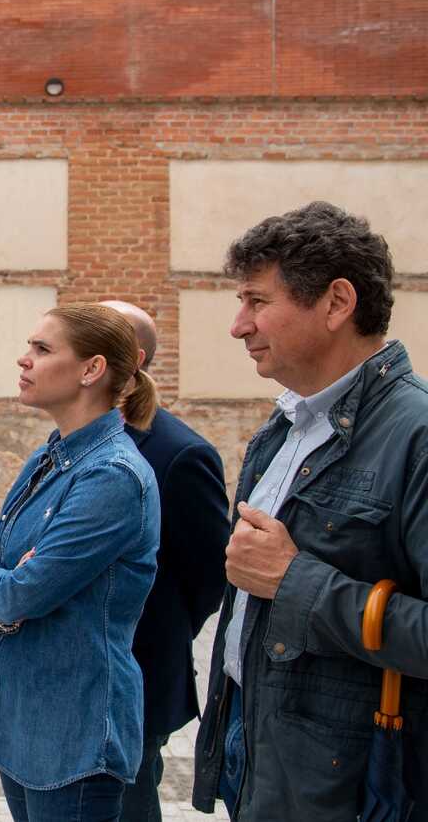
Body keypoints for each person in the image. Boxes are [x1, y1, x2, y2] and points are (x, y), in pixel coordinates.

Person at [191, 202, 428, 821]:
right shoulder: (288, 423)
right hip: (266, 751)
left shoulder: (418, 435)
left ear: (336, 303)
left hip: (355, 783)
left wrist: (295, 581)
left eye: (256, 301)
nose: (239, 326)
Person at [0, 303, 161, 822]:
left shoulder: (112, 476)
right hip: (25, 715)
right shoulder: (51, 457)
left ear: (92, 370)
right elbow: (3, 564)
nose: (24, 360)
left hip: (75, 730)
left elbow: (21, 591)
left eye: (42, 350)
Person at [99, 301, 230, 822]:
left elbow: (207, 575)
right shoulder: (69, 438)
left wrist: (156, 629)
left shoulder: (179, 454)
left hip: (137, 675)